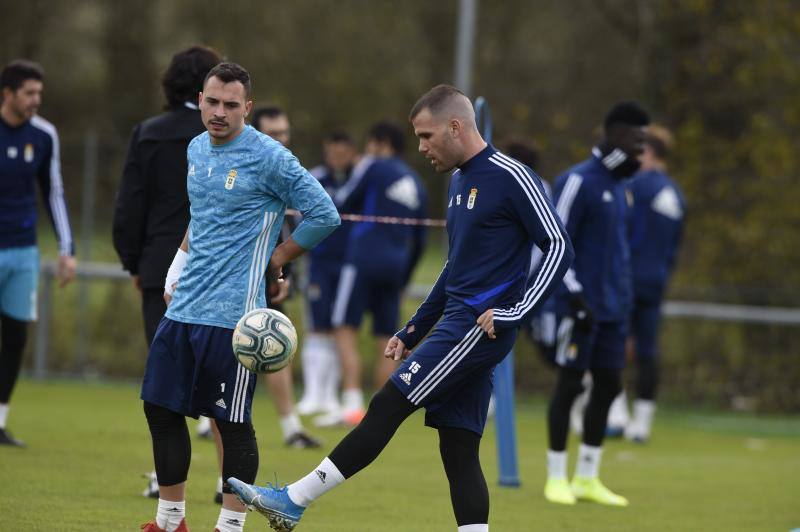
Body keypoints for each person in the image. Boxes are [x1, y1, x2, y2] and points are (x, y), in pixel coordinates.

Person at [228, 84, 572, 532]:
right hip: (459, 322)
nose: (421, 147)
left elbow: (560, 245)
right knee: (459, 448)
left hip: (477, 326)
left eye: (427, 136)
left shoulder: (512, 176)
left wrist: (516, 311)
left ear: (455, 126)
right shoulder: (458, 180)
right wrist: (413, 329)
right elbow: (455, 270)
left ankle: (294, 499)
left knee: (389, 402)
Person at [139, 62, 339, 532]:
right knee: (160, 408)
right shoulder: (194, 148)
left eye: (231, 105)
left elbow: (324, 214)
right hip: (185, 307)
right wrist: (177, 266)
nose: (219, 112)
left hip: (236, 318)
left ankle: (229, 527)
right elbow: (201, 216)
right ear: (201, 101)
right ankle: (170, 522)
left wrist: (278, 256)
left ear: (247, 108)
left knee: (231, 424)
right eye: (212, 102)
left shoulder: (270, 156)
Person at [112, 45, 223, 501]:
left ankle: (166, 483)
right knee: (222, 383)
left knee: (166, 384)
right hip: (220, 271)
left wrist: (133, 261)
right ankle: (227, 482)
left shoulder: (149, 133)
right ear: (206, 90)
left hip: (161, 271)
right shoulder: (229, 135)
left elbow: (129, 206)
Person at [543, 101, 649, 507]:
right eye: (636, 140)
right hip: (579, 306)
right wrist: (573, 295)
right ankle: (556, 476)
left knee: (608, 386)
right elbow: (554, 242)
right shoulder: (577, 181)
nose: (641, 149)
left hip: (614, 310)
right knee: (569, 384)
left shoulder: (623, 188)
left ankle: (588, 476)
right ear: (616, 135)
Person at [316, 121, 428, 427]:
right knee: (388, 340)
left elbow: (342, 200)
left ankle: (351, 403)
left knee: (343, 326)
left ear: (379, 144)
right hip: (397, 264)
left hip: (364, 258)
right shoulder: (417, 182)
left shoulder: (373, 166)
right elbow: (421, 240)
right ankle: (381, 413)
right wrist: (405, 276)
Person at [0, 60, 76, 447]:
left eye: (39, 94)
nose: (35, 101)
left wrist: (67, 249)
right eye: (29, 93)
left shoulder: (44, 135)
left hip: (24, 252)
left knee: (14, 337)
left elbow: (54, 191)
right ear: (8, 94)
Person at [250, 104, 322, 449]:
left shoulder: (289, 171)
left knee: (275, 347)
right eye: (273, 134)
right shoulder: (242, 164)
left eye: (285, 133)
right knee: (218, 351)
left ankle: (291, 428)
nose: (281, 140)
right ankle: (208, 419)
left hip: (271, 279)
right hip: (231, 279)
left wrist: (284, 271)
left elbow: (299, 222)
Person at [623, 124, 685, 442]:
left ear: (648, 153)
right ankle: (642, 422)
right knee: (647, 350)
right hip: (658, 279)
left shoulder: (638, 186)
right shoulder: (675, 192)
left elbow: (624, 230)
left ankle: (616, 413)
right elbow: (674, 244)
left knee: (614, 342)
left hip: (629, 276)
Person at [295, 131, 359, 417]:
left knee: (338, 327)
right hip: (319, 264)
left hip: (347, 266)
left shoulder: (359, 181)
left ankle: (330, 395)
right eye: (331, 151)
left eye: (342, 151)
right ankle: (312, 393)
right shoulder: (316, 177)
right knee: (317, 324)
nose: (336, 157)